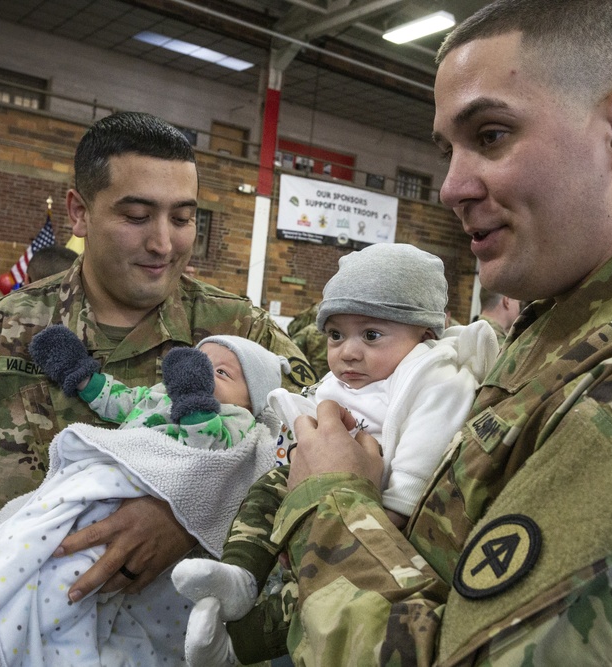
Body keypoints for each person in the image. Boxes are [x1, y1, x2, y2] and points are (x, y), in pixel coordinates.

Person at [273, 1, 612, 665]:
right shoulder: (583, 310)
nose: (450, 185)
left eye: (492, 135)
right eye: (448, 148)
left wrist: (329, 503)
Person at [0, 111, 317, 667]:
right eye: (136, 215)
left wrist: (191, 517)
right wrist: (1, 627)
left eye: (183, 219)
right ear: (78, 212)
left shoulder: (245, 337)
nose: (163, 243)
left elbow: (311, 463)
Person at [173, 243, 499, 666]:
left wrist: (391, 511)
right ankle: (241, 572)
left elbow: (427, 445)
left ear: (425, 334)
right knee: (263, 495)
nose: (348, 351)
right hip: (323, 490)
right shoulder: (351, 376)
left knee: (315, 590)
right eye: (336, 334)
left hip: (377, 514)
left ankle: (237, 646)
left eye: (371, 334)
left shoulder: (435, 375)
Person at [0, 333, 290, 664]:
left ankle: (14, 637)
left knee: (75, 573)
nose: (200, 374)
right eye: (198, 363)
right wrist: (78, 373)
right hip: (105, 483)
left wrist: (195, 402)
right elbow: (117, 399)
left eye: (222, 373)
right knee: (22, 526)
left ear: (253, 400)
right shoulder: (158, 395)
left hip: (146, 495)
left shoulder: (238, 421)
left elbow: (212, 452)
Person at [286, 302, 329, 377]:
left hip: (309, 376)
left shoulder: (309, 331)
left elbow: (290, 351)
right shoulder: (339, 332)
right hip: (332, 380)